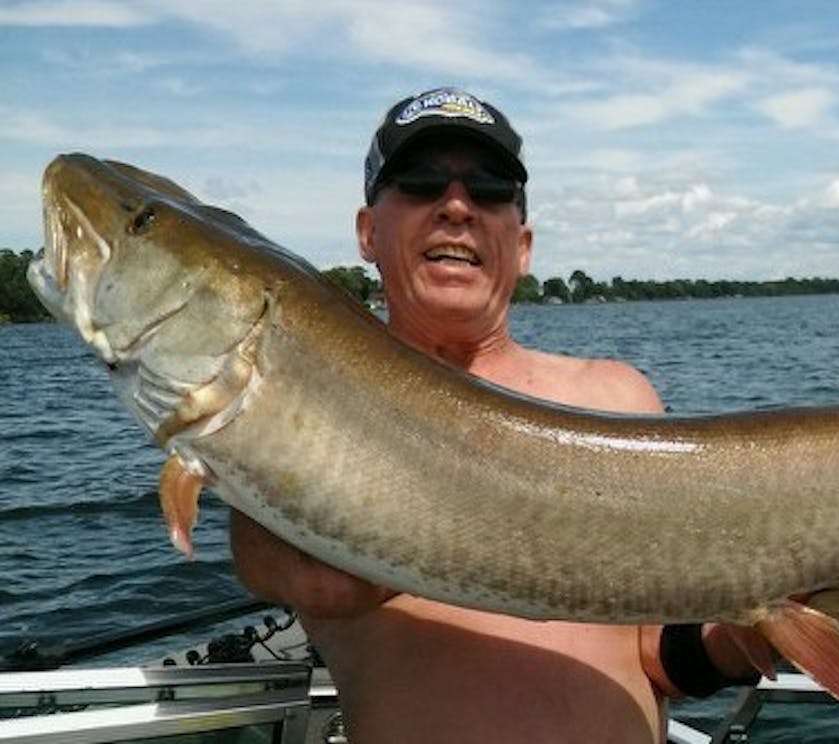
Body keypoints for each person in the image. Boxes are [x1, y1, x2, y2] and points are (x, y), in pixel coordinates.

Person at [229, 87, 761, 743]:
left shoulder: (619, 397)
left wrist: (764, 626)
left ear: (525, 244)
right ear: (368, 231)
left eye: (490, 189)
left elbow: (659, 653)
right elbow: (315, 580)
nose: (457, 206)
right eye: (421, 183)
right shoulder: (293, 420)